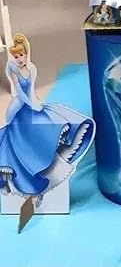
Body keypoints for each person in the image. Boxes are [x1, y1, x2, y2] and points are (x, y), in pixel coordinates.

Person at [0, 35, 95, 199]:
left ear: (26, 53)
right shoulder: (12, 67)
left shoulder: (31, 69)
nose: (19, 59)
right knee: (13, 130)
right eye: (16, 56)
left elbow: (30, 88)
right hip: (18, 104)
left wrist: (35, 101)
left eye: (21, 55)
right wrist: (29, 102)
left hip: (30, 102)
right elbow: (19, 90)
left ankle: (45, 156)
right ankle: (20, 167)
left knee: (49, 119)